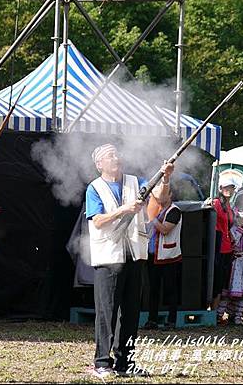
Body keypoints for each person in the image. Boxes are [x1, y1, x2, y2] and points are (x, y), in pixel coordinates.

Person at [86, 143, 173, 378]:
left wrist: (165, 178)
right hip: (108, 256)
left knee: (131, 312)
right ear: (99, 164)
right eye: (110, 156)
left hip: (134, 254)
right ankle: (102, 362)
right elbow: (97, 220)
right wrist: (124, 210)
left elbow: (161, 198)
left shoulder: (135, 181)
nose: (116, 158)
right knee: (107, 312)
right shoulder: (94, 188)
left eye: (116, 154)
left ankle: (126, 361)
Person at [217, 187, 243, 325]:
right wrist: (241, 228)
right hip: (233, 257)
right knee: (227, 289)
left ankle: (238, 316)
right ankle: (219, 314)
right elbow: (231, 236)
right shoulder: (233, 214)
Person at [143, 183, 182, 330]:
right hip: (153, 256)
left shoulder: (175, 211)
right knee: (153, 289)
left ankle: (172, 321)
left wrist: (152, 218)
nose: (159, 196)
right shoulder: (155, 209)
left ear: (170, 194)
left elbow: (165, 229)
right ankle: (152, 320)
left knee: (170, 289)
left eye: (163, 193)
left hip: (169, 257)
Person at [207, 175, 237, 316]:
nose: (229, 190)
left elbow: (228, 224)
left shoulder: (229, 205)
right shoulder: (217, 203)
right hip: (217, 245)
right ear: (220, 188)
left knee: (222, 280)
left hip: (227, 246)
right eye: (226, 187)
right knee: (216, 278)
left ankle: (216, 312)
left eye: (231, 187)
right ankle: (212, 310)